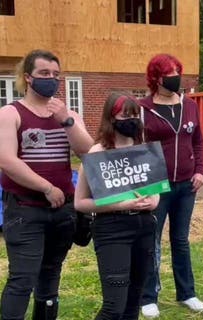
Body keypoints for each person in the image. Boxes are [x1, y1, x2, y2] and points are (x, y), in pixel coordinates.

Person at [0, 49, 93, 319]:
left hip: (62, 212)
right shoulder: (10, 113)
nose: (51, 79)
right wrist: (46, 187)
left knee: (51, 277)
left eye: (55, 74)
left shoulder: (68, 114)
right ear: (28, 78)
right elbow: (6, 160)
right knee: (22, 279)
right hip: (25, 210)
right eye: (44, 74)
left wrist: (66, 121)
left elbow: (87, 151)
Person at [74, 93, 158, 320]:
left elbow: (155, 194)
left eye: (134, 115)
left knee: (133, 304)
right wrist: (122, 203)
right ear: (111, 118)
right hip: (112, 230)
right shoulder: (97, 153)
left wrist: (151, 201)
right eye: (125, 115)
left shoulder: (145, 151)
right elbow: (80, 203)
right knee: (114, 307)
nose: (131, 120)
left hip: (144, 227)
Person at [139, 54, 203, 318]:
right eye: (169, 74)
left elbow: (198, 140)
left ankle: (187, 293)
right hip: (157, 186)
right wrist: (145, 183)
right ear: (156, 78)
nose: (175, 77)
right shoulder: (144, 108)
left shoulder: (189, 106)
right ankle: (148, 296)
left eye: (178, 71)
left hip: (186, 184)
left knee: (180, 240)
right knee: (151, 240)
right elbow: (137, 146)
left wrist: (200, 171)